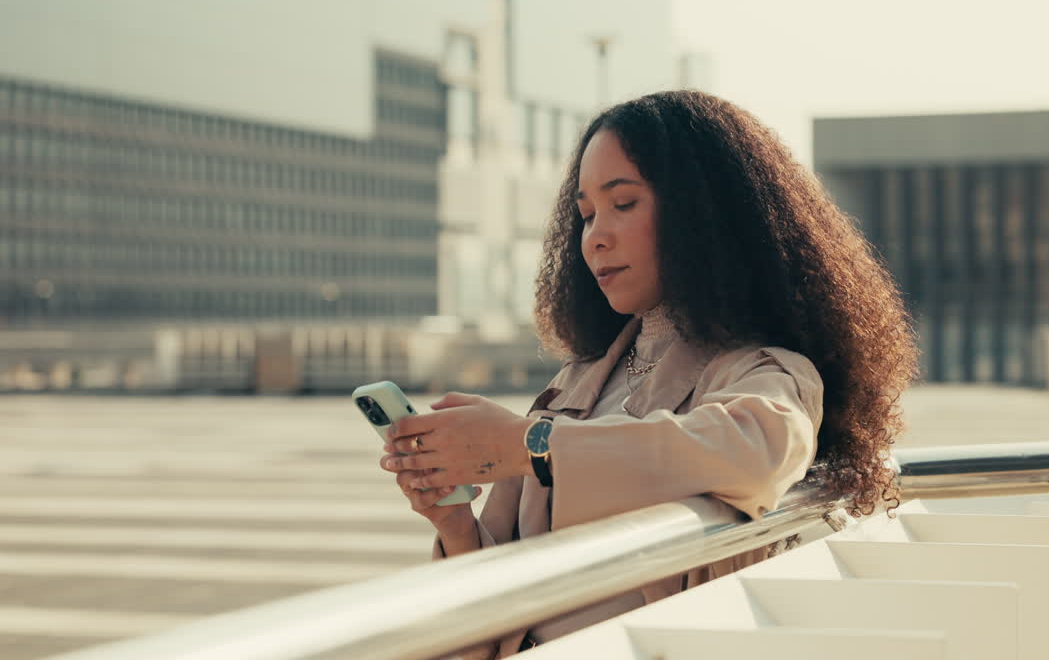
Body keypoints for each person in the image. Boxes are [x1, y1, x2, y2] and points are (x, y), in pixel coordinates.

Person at [378, 90, 918, 656]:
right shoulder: (572, 386)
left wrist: (530, 444)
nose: (595, 236)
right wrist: (457, 525)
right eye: (585, 214)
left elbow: (756, 454)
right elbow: (497, 612)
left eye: (624, 203)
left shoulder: (765, 371)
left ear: (702, 210)